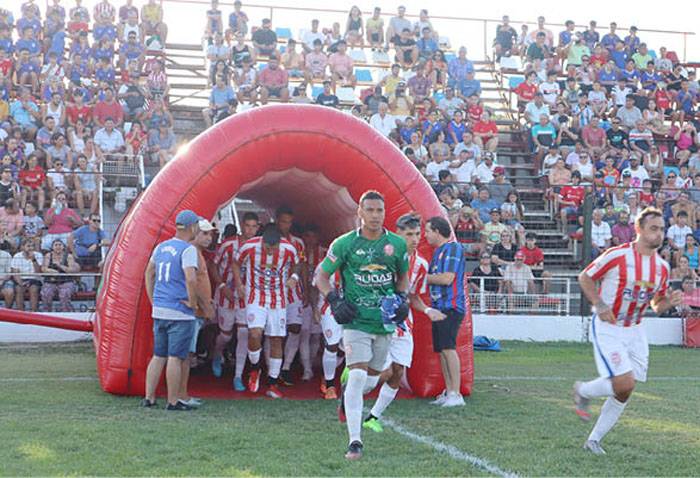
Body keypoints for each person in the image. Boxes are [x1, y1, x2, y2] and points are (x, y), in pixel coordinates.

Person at [574, 207, 682, 455]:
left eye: (662, 229)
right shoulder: (618, 255)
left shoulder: (662, 268)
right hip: (609, 327)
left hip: (636, 330)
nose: (659, 234)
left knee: (625, 390)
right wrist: (599, 304)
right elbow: (585, 277)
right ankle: (582, 391)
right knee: (624, 382)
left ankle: (593, 439)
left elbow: (657, 303)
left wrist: (670, 302)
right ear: (638, 229)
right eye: (653, 228)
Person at [316, 190, 409, 460]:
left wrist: (402, 299)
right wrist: (334, 299)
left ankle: (348, 392)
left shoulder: (396, 245)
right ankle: (355, 442)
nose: (375, 216)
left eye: (379, 210)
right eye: (370, 210)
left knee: (369, 382)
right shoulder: (344, 244)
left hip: (383, 324)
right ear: (360, 212)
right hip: (355, 322)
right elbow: (322, 277)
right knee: (357, 375)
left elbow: (403, 278)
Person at [363, 213, 442, 432]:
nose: (415, 239)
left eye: (417, 234)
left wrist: (427, 310)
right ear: (398, 234)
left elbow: (413, 296)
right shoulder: (382, 255)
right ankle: (352, 383)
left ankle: (373, 417)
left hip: (403, 323)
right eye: (409, 234)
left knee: (398, 371)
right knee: (385, 372)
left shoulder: (422, 265)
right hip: (379, 320)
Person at [232, 224, 301, 399]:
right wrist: (239, 284)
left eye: (273, 248)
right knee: (255, 333)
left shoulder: (289, 248)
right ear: (262, 242)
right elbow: (235, 262)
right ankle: (255, 368)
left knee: (276, 339)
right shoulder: (249, 246)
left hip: (278, 299)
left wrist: (293, 278)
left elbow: (298, 264)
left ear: (279, 244)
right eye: (267, 248)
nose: (270, 252)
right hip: (255, 297)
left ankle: (272, 383)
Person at [142, 210, 200, 410]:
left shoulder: (161, 247)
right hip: (179, 311)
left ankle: (149, 397)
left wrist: (153, 299)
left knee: (159, 355)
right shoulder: (188, 249)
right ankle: (173, 401)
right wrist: (193, 302)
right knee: (176, 357)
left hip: (160, 309)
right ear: (192, 226)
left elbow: (149, 273)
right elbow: (191, 278)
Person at [211, 213, 258, 391]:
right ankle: (217, 354)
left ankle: (238, 376)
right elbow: (213, 265)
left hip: (247, 300)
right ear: (242, 226)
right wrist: (223, 286)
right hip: (226, 296)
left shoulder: (258, 246)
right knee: (226, 335)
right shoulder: (228, 244)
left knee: (244, 334)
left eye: (254, 226)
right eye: (247, 226)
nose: (250, 230)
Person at [425, 216, 467, 408]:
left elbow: (447, 278)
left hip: (450, 306)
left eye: (427, 231)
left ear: (437, 231)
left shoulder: (452, 248)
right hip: (438, 307)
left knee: (449, 348)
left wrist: (421, 278)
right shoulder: (438, 252)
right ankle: (449, 390)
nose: (425, 235)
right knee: (442, 349)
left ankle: (456, 393)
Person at [179, 218, 216, 409]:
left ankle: (181, 394)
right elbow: (194, 282)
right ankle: (181, 395)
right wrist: (204, 305)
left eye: (210, 234)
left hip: (196, 310)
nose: (209, 238)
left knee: (187, 354)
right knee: (186, 354)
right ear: (194, 233)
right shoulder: (192, 252)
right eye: (205, 234)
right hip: (194, 311)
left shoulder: (196, 253)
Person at [41, 239, 80, 311]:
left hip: (66, 281)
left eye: (60, 245)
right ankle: (47, 311)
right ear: (52, 247)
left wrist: (60, 266)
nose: (58, 247)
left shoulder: (69, 256)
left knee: (64, 293)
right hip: (51, 281)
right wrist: (52, 271)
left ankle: (66, 311)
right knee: (46, 293)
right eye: (56, 245)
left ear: (63, 247)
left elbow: (71, 270)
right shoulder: (48, 255)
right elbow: (44, 268)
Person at [11, 238, 42, 311]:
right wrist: (21, 283)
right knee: (19, 289)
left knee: (34, 289)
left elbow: (39, 272)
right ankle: (20, 312)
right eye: (28, 246)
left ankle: (34, 312)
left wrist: (33, 260)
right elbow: (15, 273)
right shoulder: (17, 256)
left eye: (32, 246)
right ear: (22, 247)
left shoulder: (38, 255)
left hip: (35, 279)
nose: (31, 248)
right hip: (21, 279)